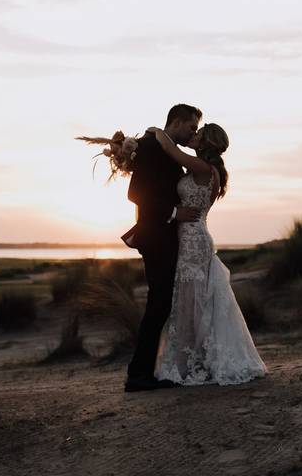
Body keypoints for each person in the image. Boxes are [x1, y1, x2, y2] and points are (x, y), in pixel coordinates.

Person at [147, 123, 267, 386]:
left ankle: (194, 362)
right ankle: (195, 357)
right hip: (191, 235)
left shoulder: (203, 169)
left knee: (192, 299)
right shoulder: (201, 168)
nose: (194, 135)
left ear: (205, 143)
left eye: (198, 133)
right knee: (191, 298)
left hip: (193, 239)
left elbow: (169, 149)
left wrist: (155, 131)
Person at [121, 104, 202, 392]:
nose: (193, 132)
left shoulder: (164, 149)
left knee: (162, 303)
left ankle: (144, 371)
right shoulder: (149, 147)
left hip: (165, 238)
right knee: (158, 304)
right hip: (155, 237)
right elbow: (135, 193)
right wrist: (174, 212)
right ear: (177, 122)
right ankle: (138, 375)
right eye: (191, 127)